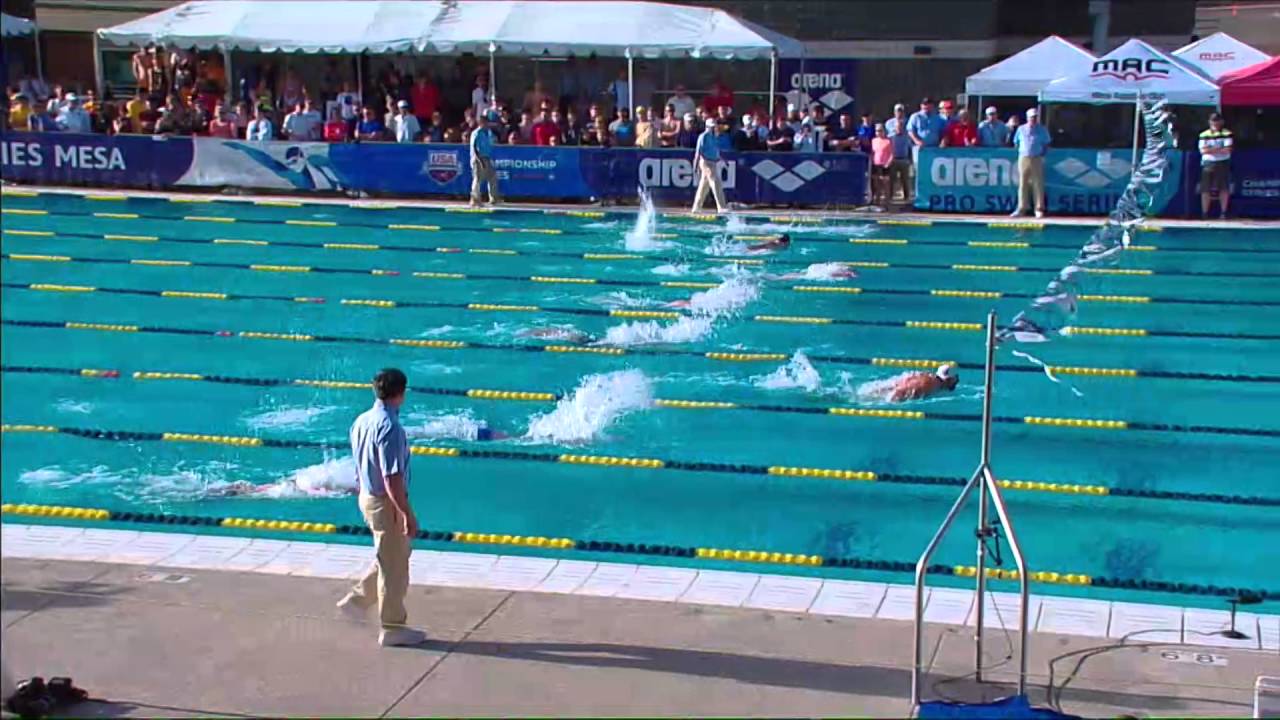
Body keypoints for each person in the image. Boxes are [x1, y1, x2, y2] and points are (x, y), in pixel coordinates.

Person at [335, 368, 425, 647]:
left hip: (367, 496)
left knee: (393, 556)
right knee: (394, 568)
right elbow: (392, 477)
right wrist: (406, 513)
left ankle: (357, 601)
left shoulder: (361, 420)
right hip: (385, 501)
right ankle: (392, 627)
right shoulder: (390, 428)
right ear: (402, 393)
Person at [1011, 107, 1050, 218]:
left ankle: (1039, 208)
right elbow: (1016, 142)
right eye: (1032, 117)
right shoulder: (1021, 129)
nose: (1033, 119)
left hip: (1037, 158)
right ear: (1027, 118)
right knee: (1023, 183)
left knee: (1038, 183)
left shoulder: (1042, 129)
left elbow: (1046, 144)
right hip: (1024, 158)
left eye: (1035, 117)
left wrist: (1041, 154)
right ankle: (1022, 208)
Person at [1198, 112, 1233, 219]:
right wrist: (1219, 149)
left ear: (1221, 122)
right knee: (1205, 188)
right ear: (1209, 122)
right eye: (1213, 121)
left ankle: (1223, 212)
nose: (1215, 123)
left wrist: (1211, 149)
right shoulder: (1204, 135)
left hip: (1223, 162)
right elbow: (1203, 151)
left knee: (1224, 187)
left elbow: (1228, 149)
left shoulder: (1227, 133)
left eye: (1217, 121)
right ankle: (1204, 213)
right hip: (1208, 163)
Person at [691, 118, 728, 214]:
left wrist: (723, 160)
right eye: (710, 127)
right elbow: (698, 152)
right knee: (715, 182)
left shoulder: (714, 137)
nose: (712, 129)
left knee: (704, 186)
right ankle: (721, 207)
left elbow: (715, 151)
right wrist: (695, 165)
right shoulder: (703, 136)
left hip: (713, 163)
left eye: (713, 127)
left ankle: (696, 207)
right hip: (706, 162)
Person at [470, 111, 500, 207]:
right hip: (478, 158)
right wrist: (480, 160)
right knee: (478, 178)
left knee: (492, 176)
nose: (487, 124)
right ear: (480, 123)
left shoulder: (488, 133)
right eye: (484, 122)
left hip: (487, 157)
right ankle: (475, 199)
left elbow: (491, 143)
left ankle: (493, 198)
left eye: (487, 122)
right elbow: (475, 148)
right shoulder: (477, 133)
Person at [885, 103, 913, 203]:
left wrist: (910, 157)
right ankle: (890, 197)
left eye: (901, 111)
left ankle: (906, 198)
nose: (899, 113)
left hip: (904, 157)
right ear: (894, 112)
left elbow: (910, 139)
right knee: (891, 179)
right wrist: (895, 131)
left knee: (905, 179)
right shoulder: (889, 123)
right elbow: (886, 137)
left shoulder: (908, 122)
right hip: (893, 157)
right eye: (897, 111)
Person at [889, 364, 959, 403]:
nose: (957, 381)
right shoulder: (931, 385)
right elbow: (901, 390)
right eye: (955, 379)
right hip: (895, 394)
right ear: (948, 379)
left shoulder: (933, 380)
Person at [870, 123, 894, 205]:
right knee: (876, 185)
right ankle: (877, 201)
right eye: (877, 131)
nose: (879, 132)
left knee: (885, 184)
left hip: (885, 165)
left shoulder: (888, 141)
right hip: (876, 164)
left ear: (884, 131)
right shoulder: (873, 141)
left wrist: (888, 163)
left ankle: (887, 202)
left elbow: (891, 154)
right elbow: (872, 153)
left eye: (880, 131)